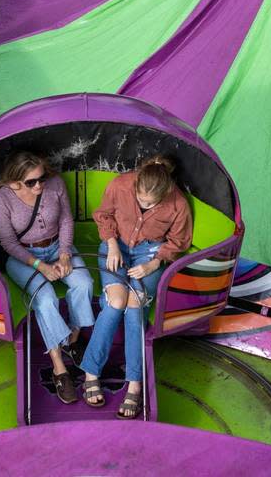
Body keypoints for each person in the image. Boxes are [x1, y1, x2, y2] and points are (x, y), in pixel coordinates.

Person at [81, 155, 192, 419]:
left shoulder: (178, 203)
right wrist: (111, 245)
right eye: (141, 199)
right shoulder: (120, 185)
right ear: (137, 184)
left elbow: (178, 242)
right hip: (115, 245)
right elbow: (103, 214)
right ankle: (91, 372)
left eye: (151, 203)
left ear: (166, 191)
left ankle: (135, 383)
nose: (145, 204)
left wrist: (154, 264)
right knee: (115, 303)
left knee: (134, 307)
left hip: (150, 253)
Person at [0, 151, 93, 405]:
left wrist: (64, 255)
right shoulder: (3, 198)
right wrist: (40, 266)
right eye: (31, 182)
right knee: (45, 299)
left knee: (84, 283)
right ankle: (59, 366)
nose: (39, 185)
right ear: (15, 181)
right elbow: (7, 242)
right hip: (24, 256)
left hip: (58, 247)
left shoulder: (55, 184)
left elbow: (66, 220)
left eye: (41, 178)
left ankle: (72, 338)